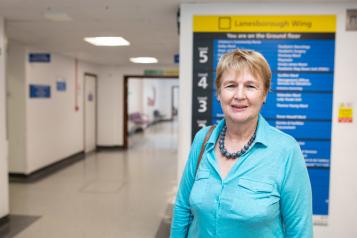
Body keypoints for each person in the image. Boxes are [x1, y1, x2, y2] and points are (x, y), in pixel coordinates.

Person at [170, 49, 313, 238]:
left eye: (250, 86)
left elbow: (299, 230)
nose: (239, 95)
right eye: (230, 85)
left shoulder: (286, 150)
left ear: (264, 94)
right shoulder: (202, 139)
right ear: (219, 93)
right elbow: (183, 209)